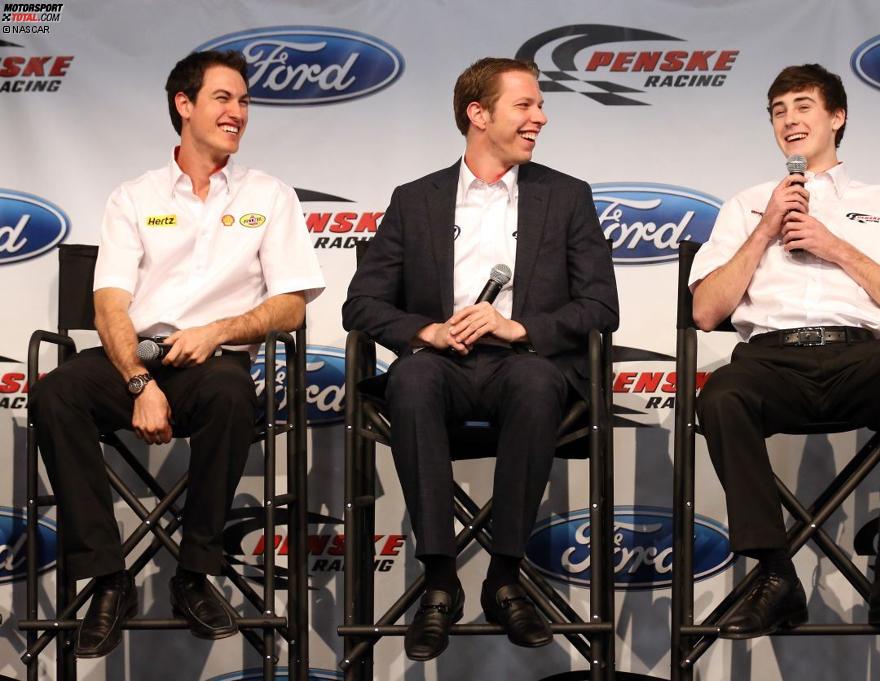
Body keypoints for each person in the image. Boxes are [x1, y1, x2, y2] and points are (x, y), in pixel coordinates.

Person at [28, 50, 324, 658]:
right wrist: (139, 382)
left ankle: (195, 573)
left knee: (230, 391)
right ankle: (108, 577)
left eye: (244, 101)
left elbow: (292, 306)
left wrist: (219, 331)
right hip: (135, 358)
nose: (238, 113)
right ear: (183, 105)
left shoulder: (270, 196)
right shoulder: (133, 198)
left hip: (215, 363)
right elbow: (109, 307)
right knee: (57, 391)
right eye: (223, 98)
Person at [343, 57, 619, 661]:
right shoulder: (415, 201)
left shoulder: (566, 196)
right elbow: (360, 305)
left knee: (535, 384)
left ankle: (504, 576)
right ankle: (440, 579)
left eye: (539, 106)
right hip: (440, 364)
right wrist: (428, 332)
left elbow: (601, 306)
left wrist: (521, 326)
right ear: (478, 114)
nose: (539, 118)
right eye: (525, 106)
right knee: (410, 377)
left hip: (523, 361)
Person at [689, 63, 880, 639]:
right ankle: (773, 574)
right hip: (771, 359)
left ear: (836, 118)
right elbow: (707, 312)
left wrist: (836, 247)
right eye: (778, 110)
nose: (790, 119)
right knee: (722, 397)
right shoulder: (745, 205)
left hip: (862, 357)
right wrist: (764, 232)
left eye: (803, 106)